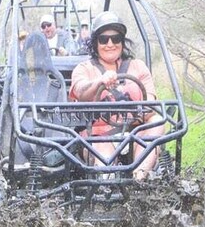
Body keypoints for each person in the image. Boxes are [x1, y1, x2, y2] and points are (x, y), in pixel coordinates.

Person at [69, 11, 164, 180]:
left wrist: (137, 112)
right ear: (96, 43)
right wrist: (100, 82)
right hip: (98, 136)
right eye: (104, 39)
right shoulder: (84, 68)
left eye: (116, 38)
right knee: (105, 161)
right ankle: (107, 182)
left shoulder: (138, 67)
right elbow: (81, 91)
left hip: (135, 133)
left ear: (122, 41)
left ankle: (140, 179)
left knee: (157, 121)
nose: (110, 44)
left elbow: (151, 103)